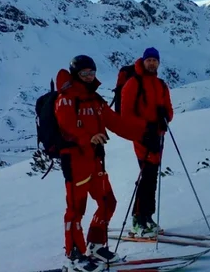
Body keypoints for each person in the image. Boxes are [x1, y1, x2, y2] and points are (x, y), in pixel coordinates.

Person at [54, 54, 159, 272]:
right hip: (75, 161)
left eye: (92, 73)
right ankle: (74, 255)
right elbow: (66, 127)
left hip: (95, 162)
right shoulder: (66, 98)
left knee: (108, 202)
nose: (89, 77)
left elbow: (117, 123)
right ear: (76, 74)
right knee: (75, 210)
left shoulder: (95, 100)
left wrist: (143, 133)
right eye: (84, 73)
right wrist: (87, 137)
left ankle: (96, 246)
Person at [119, 47, 174, 237]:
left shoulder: (161, 85)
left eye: (155, 60)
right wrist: (147, 126)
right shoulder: (134, 83)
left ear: (159, 63)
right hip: (142, 136)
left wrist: (165, 116)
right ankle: (137, 220)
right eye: (149, 60)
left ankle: (147, 218)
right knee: (147, 175)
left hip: (157, 136)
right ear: (143, 61)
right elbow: (125, 114)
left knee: (152, 177)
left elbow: (169, 110)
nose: (152, 63)